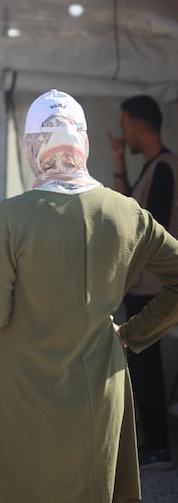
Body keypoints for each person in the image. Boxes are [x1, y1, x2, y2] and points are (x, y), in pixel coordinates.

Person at [0, 89, 178, 502]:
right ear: (83, 140)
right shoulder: (127, 212)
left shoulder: (10, 216)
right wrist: (133, 334)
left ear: (32, 145)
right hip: (100, 383)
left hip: (22, 388)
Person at [108, 94, 176, 469]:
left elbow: (149, 229)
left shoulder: (165, 167)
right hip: (146, 285)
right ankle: (154, 444)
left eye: (124, 126)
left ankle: (159, 448)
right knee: (141, 365)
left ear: (138, 125)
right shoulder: (154, 167)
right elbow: (129, 209)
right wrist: (118, 160)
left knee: (146, 367)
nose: (123, 133)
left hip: (154, 286)